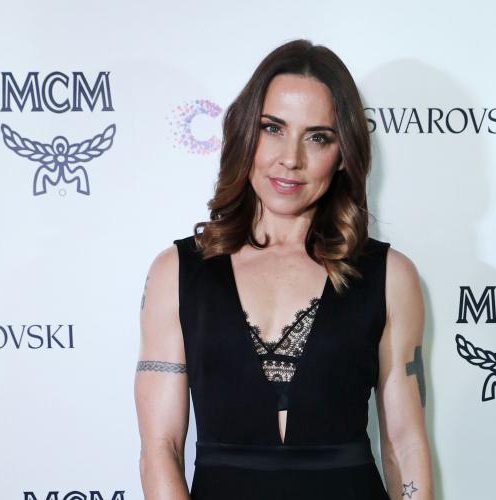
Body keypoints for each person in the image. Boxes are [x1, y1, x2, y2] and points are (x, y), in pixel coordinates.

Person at [134, 39, 432, 500]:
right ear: (245, 134)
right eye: (272, 128)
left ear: (343, 154)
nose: (290, 158)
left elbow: (405, 447)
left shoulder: (390, 276)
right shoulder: (177, 272)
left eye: (318, 137)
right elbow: (160, 448)